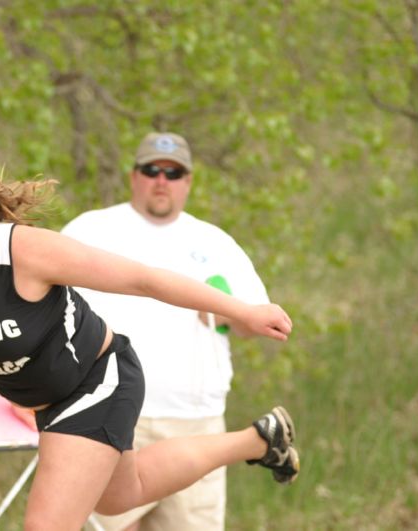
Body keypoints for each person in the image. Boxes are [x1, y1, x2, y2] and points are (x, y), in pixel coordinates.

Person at [0, 159, 300, 531]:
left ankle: (256, 440)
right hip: (48, 401)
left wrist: (245, 311)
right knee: (121, 495)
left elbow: (144, 280)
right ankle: (258, 440)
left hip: (98, 379)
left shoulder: (25, 251)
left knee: (45, 527)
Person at [63, 132, 276, 530]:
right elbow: (47, 310)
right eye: (152, 170)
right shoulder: (90, 229)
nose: (162, 180)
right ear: (134, 176)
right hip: (111, 417)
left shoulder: (215, 242)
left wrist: (228, 313)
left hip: (195, 422)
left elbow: (254, 322)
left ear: (189, 181)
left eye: (174, 172)